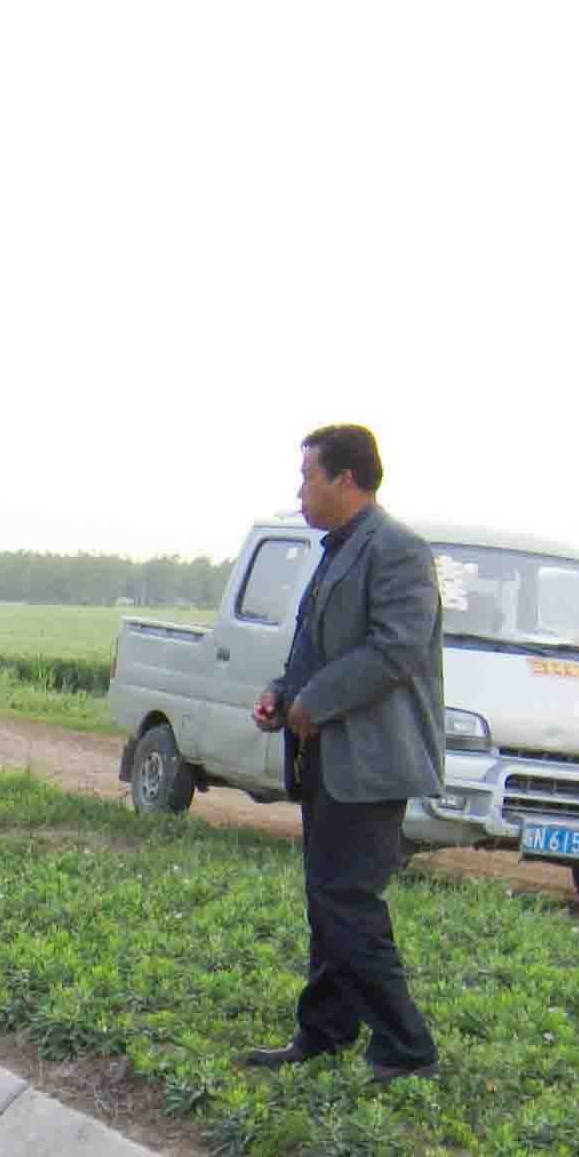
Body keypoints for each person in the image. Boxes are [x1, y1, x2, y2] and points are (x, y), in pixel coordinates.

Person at [242, 423, 445, 1084]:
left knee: (348, 900)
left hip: (370, 761)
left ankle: (406, 1048)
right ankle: (324, 1032)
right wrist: (282, 694)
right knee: (327, 898)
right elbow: (316, 648)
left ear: (346, 479)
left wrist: (316, 702)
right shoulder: (337, 551)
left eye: (308, 475)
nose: (299, 490)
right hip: (328, 756)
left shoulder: (397, 550)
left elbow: (395, 648)